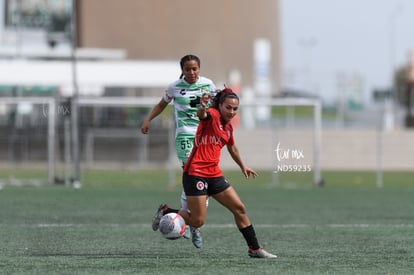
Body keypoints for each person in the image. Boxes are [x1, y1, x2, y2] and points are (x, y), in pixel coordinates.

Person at [151, 88, 277, 258]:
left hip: (214, 175)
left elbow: (232, 147)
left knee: (239, 208)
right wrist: (202, 107)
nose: (231, 111)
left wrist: (243, 166)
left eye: (235, 109)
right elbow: (202, 115)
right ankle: (166, 211)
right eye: (228, 107)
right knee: (197, 221)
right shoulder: (213, 114)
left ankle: (254, 249)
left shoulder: (229, 128)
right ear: (220, 105)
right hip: (195, 173)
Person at [141, 54, 216, 248]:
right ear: (182, 70)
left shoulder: (209, 85)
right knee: (194, 176)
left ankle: (171, 212)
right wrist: (148, 120)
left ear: (200, 68)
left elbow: (215, 108)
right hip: (185, 137)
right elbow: (161, 105)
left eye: (195, 69)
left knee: (203, 181)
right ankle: (194, 226)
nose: (191, 72)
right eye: (187, 69)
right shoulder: (174, 87)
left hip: (205, 138)